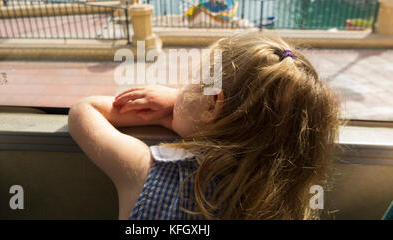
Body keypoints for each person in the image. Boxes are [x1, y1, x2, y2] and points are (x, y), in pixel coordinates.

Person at [68, 32, 340, 220]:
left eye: (192, 81)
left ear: (212, 105)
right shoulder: (285, 197)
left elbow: (84, 111)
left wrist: (175, 106)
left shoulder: (147, 171)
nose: (181, 89)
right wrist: (188, 110)